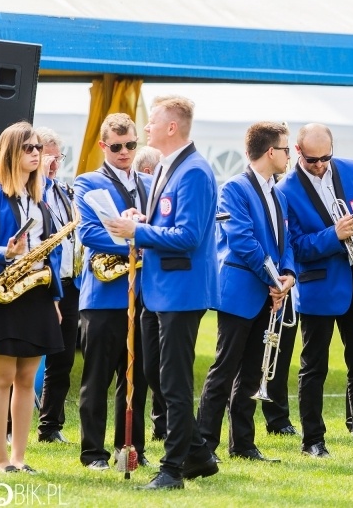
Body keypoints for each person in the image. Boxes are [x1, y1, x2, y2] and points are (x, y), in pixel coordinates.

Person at [105, 95, 219, 490]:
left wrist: (138, 231)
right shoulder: (171, 166)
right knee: (154, 372)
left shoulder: (195, 171)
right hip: (159, 289)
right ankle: (199, 454)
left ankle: (173, 469)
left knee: (173, 381)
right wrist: (142, 220)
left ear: (172, 127)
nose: (146, 127)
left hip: (181, 290)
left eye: (152, 121)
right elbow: (168, 222)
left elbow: (189, 236)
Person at [277, 122, 353, 458]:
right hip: (319, 287)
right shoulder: (285, 189)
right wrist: (334, 235)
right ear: (298, 152)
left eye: (325, 158)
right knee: (314, 367)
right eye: (312, 159)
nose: (319, 165)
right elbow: (294, 247)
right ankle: (313, 440)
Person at [196, 122, 296, 462]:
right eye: (286, 149)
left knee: (253, 372)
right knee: (224, 369)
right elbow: (242, 240)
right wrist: (273, 278)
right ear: (270, 152)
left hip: (269, 292)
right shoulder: (235, 188)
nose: (289, 155)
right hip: (240, 292)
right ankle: (205, 445)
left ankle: (243, 444)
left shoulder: (279, 194)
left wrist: (288, 275)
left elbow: (286, 242)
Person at [0, 121, 65, 473]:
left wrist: (55, 299)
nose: (37, 153)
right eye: (29, 148)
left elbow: (52, 252)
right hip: (5, 292)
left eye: (38, 147)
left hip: (37, 293)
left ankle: (20, 458)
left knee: (27, 379)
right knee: (3, 376)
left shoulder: (41, 195)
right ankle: (0, 459)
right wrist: (7, 252)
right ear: (11, 152)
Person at [74, 114, 151, 470]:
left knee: (137, 379)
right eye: (117, 146)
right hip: (104, 295)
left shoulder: (150, 182)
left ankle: (130, 449)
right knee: (98, 377)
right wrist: (136, 237)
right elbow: (89, 233)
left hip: (145, 293)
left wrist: (145, 232)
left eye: (131, 145)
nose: (125, 152)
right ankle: (93, 453)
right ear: (103, 146)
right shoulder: (88, 182)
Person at [32, 127, 80, 444]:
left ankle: (50, 426)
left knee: (62, 358)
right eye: (47, 156)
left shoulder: (64, 191)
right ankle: (10, 424)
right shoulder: (28, 191)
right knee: (26, 355)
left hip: (68, 283)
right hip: (38, 282)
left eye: (57, 156)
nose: (53, 163)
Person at [129, 144, 167, 442]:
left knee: (155, 360)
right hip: (137, 288)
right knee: (148, 363)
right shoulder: (143, 191)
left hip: (156, 286)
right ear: (147, 172)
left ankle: (161, 424)